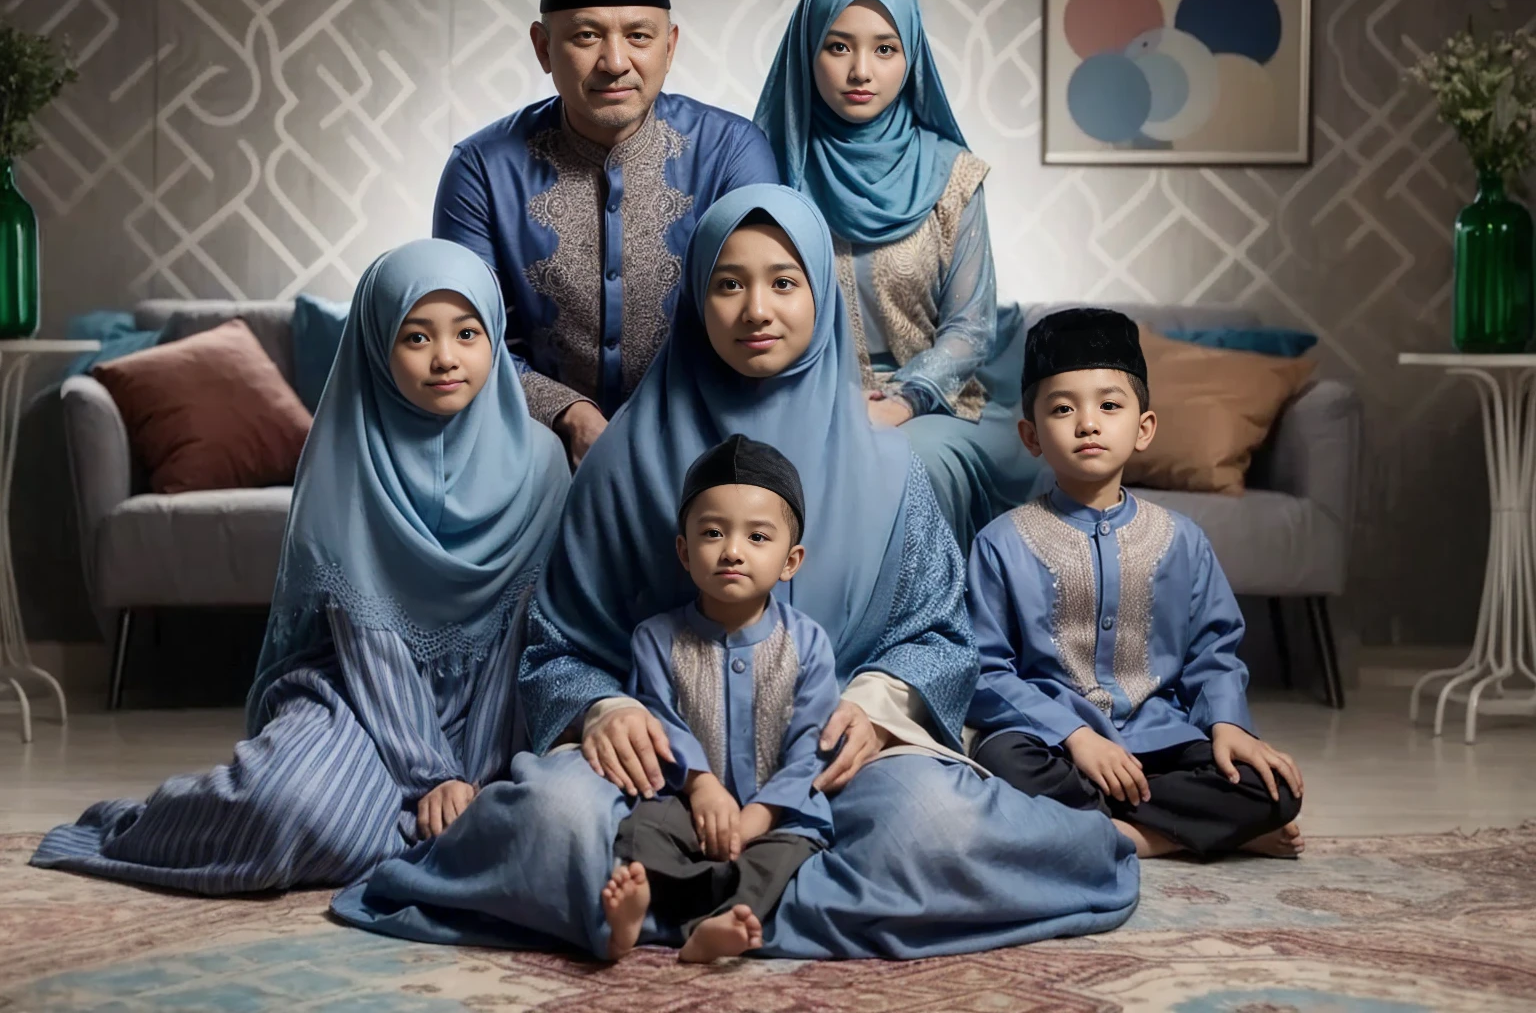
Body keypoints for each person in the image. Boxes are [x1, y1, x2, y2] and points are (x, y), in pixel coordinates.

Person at [330, 185, 1138, 959]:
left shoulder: (891, 468)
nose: (756, 310)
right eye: (728, 284)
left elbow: (937, 634)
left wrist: (874, 704)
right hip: (651, 768)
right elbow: (557, 647)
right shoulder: (620, 459)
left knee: (932, 825)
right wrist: (606, 710)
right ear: (694, 299)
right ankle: (776, 897)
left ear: (822, 292)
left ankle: (668, 904)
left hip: (825, 763)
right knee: (555, 823)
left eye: (784, 282)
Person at [30, 240, 569, 893]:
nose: (446, 358)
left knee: (524, 820)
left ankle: (417, 822)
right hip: (362, 698)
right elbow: (368, 641)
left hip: (497, 707)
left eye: (467, 333)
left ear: (494, 339)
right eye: (416, 337)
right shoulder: (348, 454)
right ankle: (147, 824)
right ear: (376, 344)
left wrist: (476, 779)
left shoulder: (541, 464)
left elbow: (522, 635)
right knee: (287, 814)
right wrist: (432, 776)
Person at [966, 307, 1305, 859]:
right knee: (1003, 763)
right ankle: (1173, 835)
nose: (1088, 423)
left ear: (1143, 428)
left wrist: (1226, 724)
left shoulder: (1183, 541)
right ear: (1030, 435)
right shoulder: (1001, 543)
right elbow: (984, 670)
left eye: (1109, 405)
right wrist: (1077, 737)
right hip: (1055, 746)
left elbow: (1212, 655)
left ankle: (1105, 835)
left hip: (1159, 738)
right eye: (1061, 409)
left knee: (1274, 788)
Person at [434, 0, 779, 467]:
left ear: (671, 45)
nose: (615, 62)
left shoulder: (732, 153)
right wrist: (567, 414)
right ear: (543, 48)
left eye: (639, 36)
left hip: (703, 438)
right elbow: (465, 336)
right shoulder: (480, 169)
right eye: (586, 36)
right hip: (530, 447)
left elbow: (755, 318)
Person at [755, 0, 1039, 549]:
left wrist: (902, 400)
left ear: (912, 58)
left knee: (910, 461)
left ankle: (927, 637)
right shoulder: (766, 169)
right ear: (807, 52)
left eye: (885, 49)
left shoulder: (953, 176)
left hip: (934, 405)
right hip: (799, 397)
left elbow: (970, 329)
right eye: (838, 47)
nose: (862, 71)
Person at [602, 434, 838, 963]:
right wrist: (702, 786)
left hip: (775, 815)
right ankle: (636, 916)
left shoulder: (808, 644)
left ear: (790, 560)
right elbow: (658, 722)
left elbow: (813, 750)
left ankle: (710, 929)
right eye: (712, 533)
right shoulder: (656, 639)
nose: (732, 550)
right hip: (686, 804)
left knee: (789, 853)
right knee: (642, 832)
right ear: (684, 552)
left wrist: (757, 818)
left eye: (757, 537)